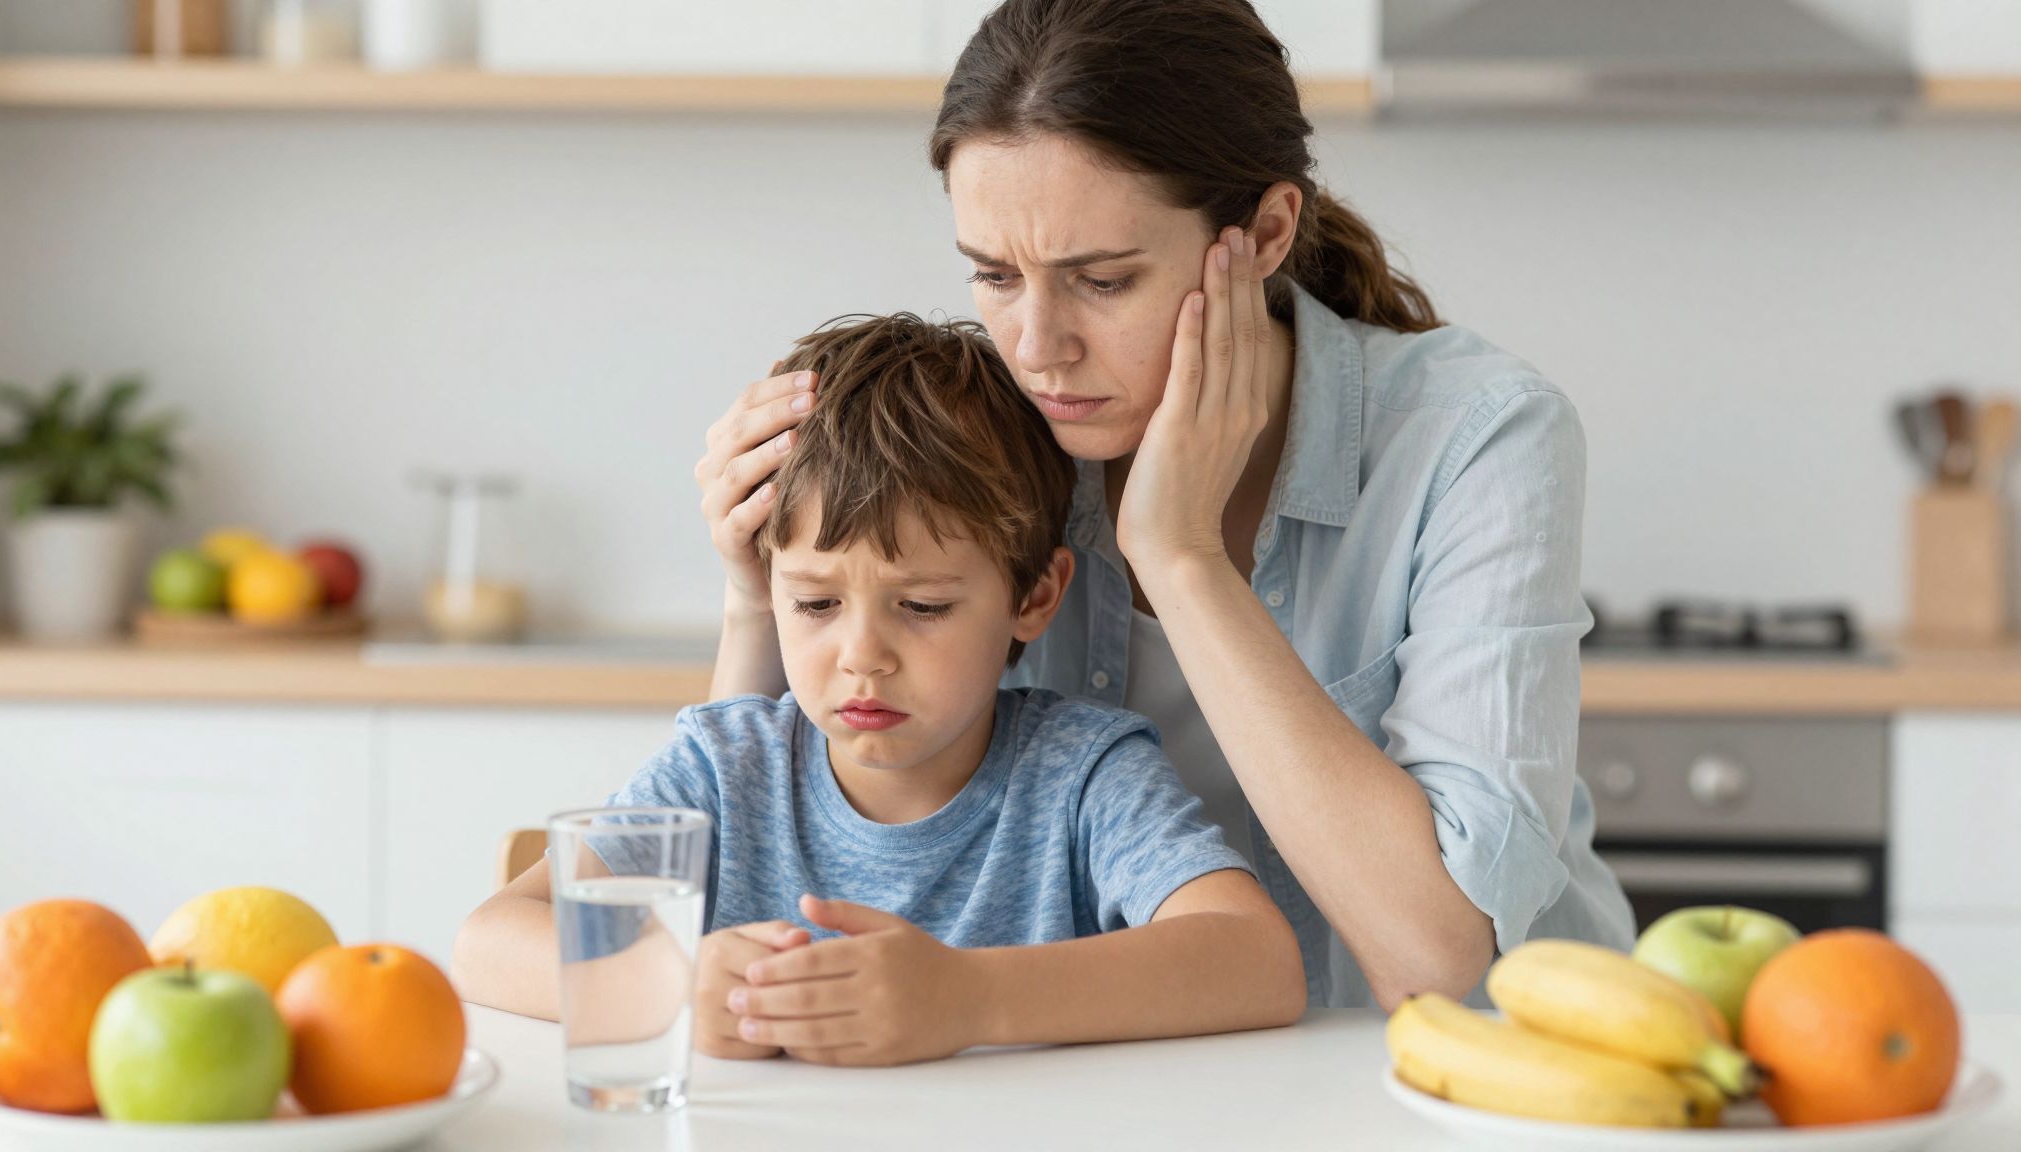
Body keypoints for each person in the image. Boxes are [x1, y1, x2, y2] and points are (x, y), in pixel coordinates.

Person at [693, 0, 1635, 1011]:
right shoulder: (985, 444)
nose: (1036, 347)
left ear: (1266, 232)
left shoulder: (1475, 434)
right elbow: (743, 851)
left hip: (1475, 1083)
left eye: (1100, 280)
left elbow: (1434, 961)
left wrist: (1182, 557)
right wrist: (754, 602)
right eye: (993, 275)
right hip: (1129, 1086)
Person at [454, 313, 1305, 1067]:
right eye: (816, 603)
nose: (862, 657)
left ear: (1034, 596)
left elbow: (1258, 959)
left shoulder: (1083, 773)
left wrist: (966, 997)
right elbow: (489, 941)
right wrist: (671, 979)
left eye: (924, 606)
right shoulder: (727, 763)